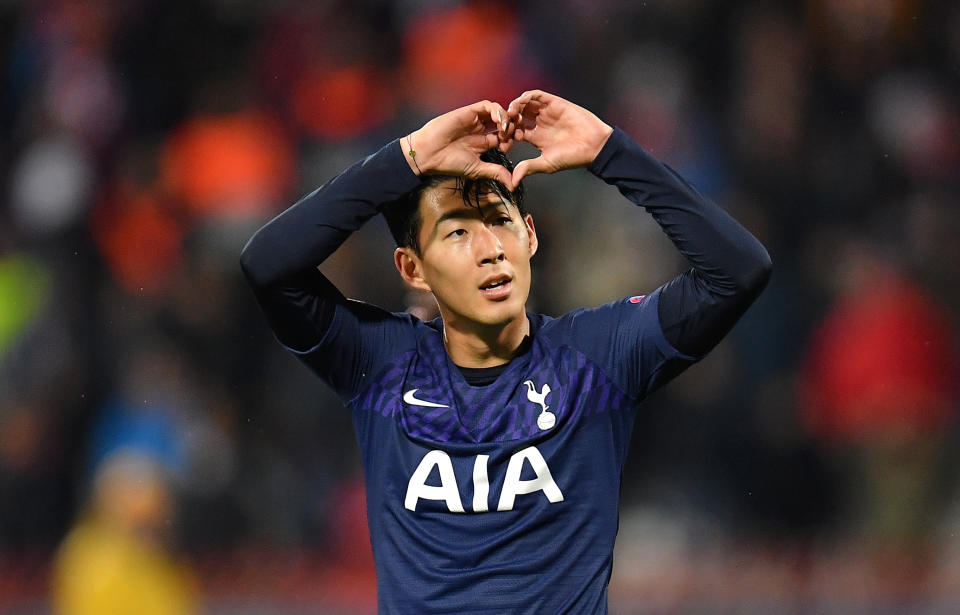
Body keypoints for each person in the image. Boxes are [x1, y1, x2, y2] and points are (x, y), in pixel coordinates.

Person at [241, 90, 771, 613]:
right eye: (457, 232)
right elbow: (268, 265)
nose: (490, 249)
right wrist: (407, 159)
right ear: (412, 269)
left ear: (530, 235)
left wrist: (611, 153)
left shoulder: (596, 359)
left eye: (500, 220)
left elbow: (737, 270)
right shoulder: (380, 364)